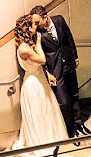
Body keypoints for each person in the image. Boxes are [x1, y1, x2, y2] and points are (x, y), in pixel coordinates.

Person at [30, 5, 90, 136]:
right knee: (63, 101)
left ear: (45, 17)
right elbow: (39, 54)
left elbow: (69, 38)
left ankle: (79, 122)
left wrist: (75, 56)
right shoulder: (37, 33)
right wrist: (47, 72)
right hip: (55, 69)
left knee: (74, 95)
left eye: (37, 22)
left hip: (68, 63)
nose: (35, 24)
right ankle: (70, 129)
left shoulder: (59, 20)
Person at [12, 15, 69, 149]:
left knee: (46, 112)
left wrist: (47, 73)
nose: (36, 27)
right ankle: (41, 142)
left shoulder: (27, 44)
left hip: (39, 80)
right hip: (33, 84)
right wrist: (38, 44)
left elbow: (37, 64)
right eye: (33, 25)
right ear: (27, 29)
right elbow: (42, 60)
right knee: (38, 113)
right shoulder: (24, 48)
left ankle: (51, 138)